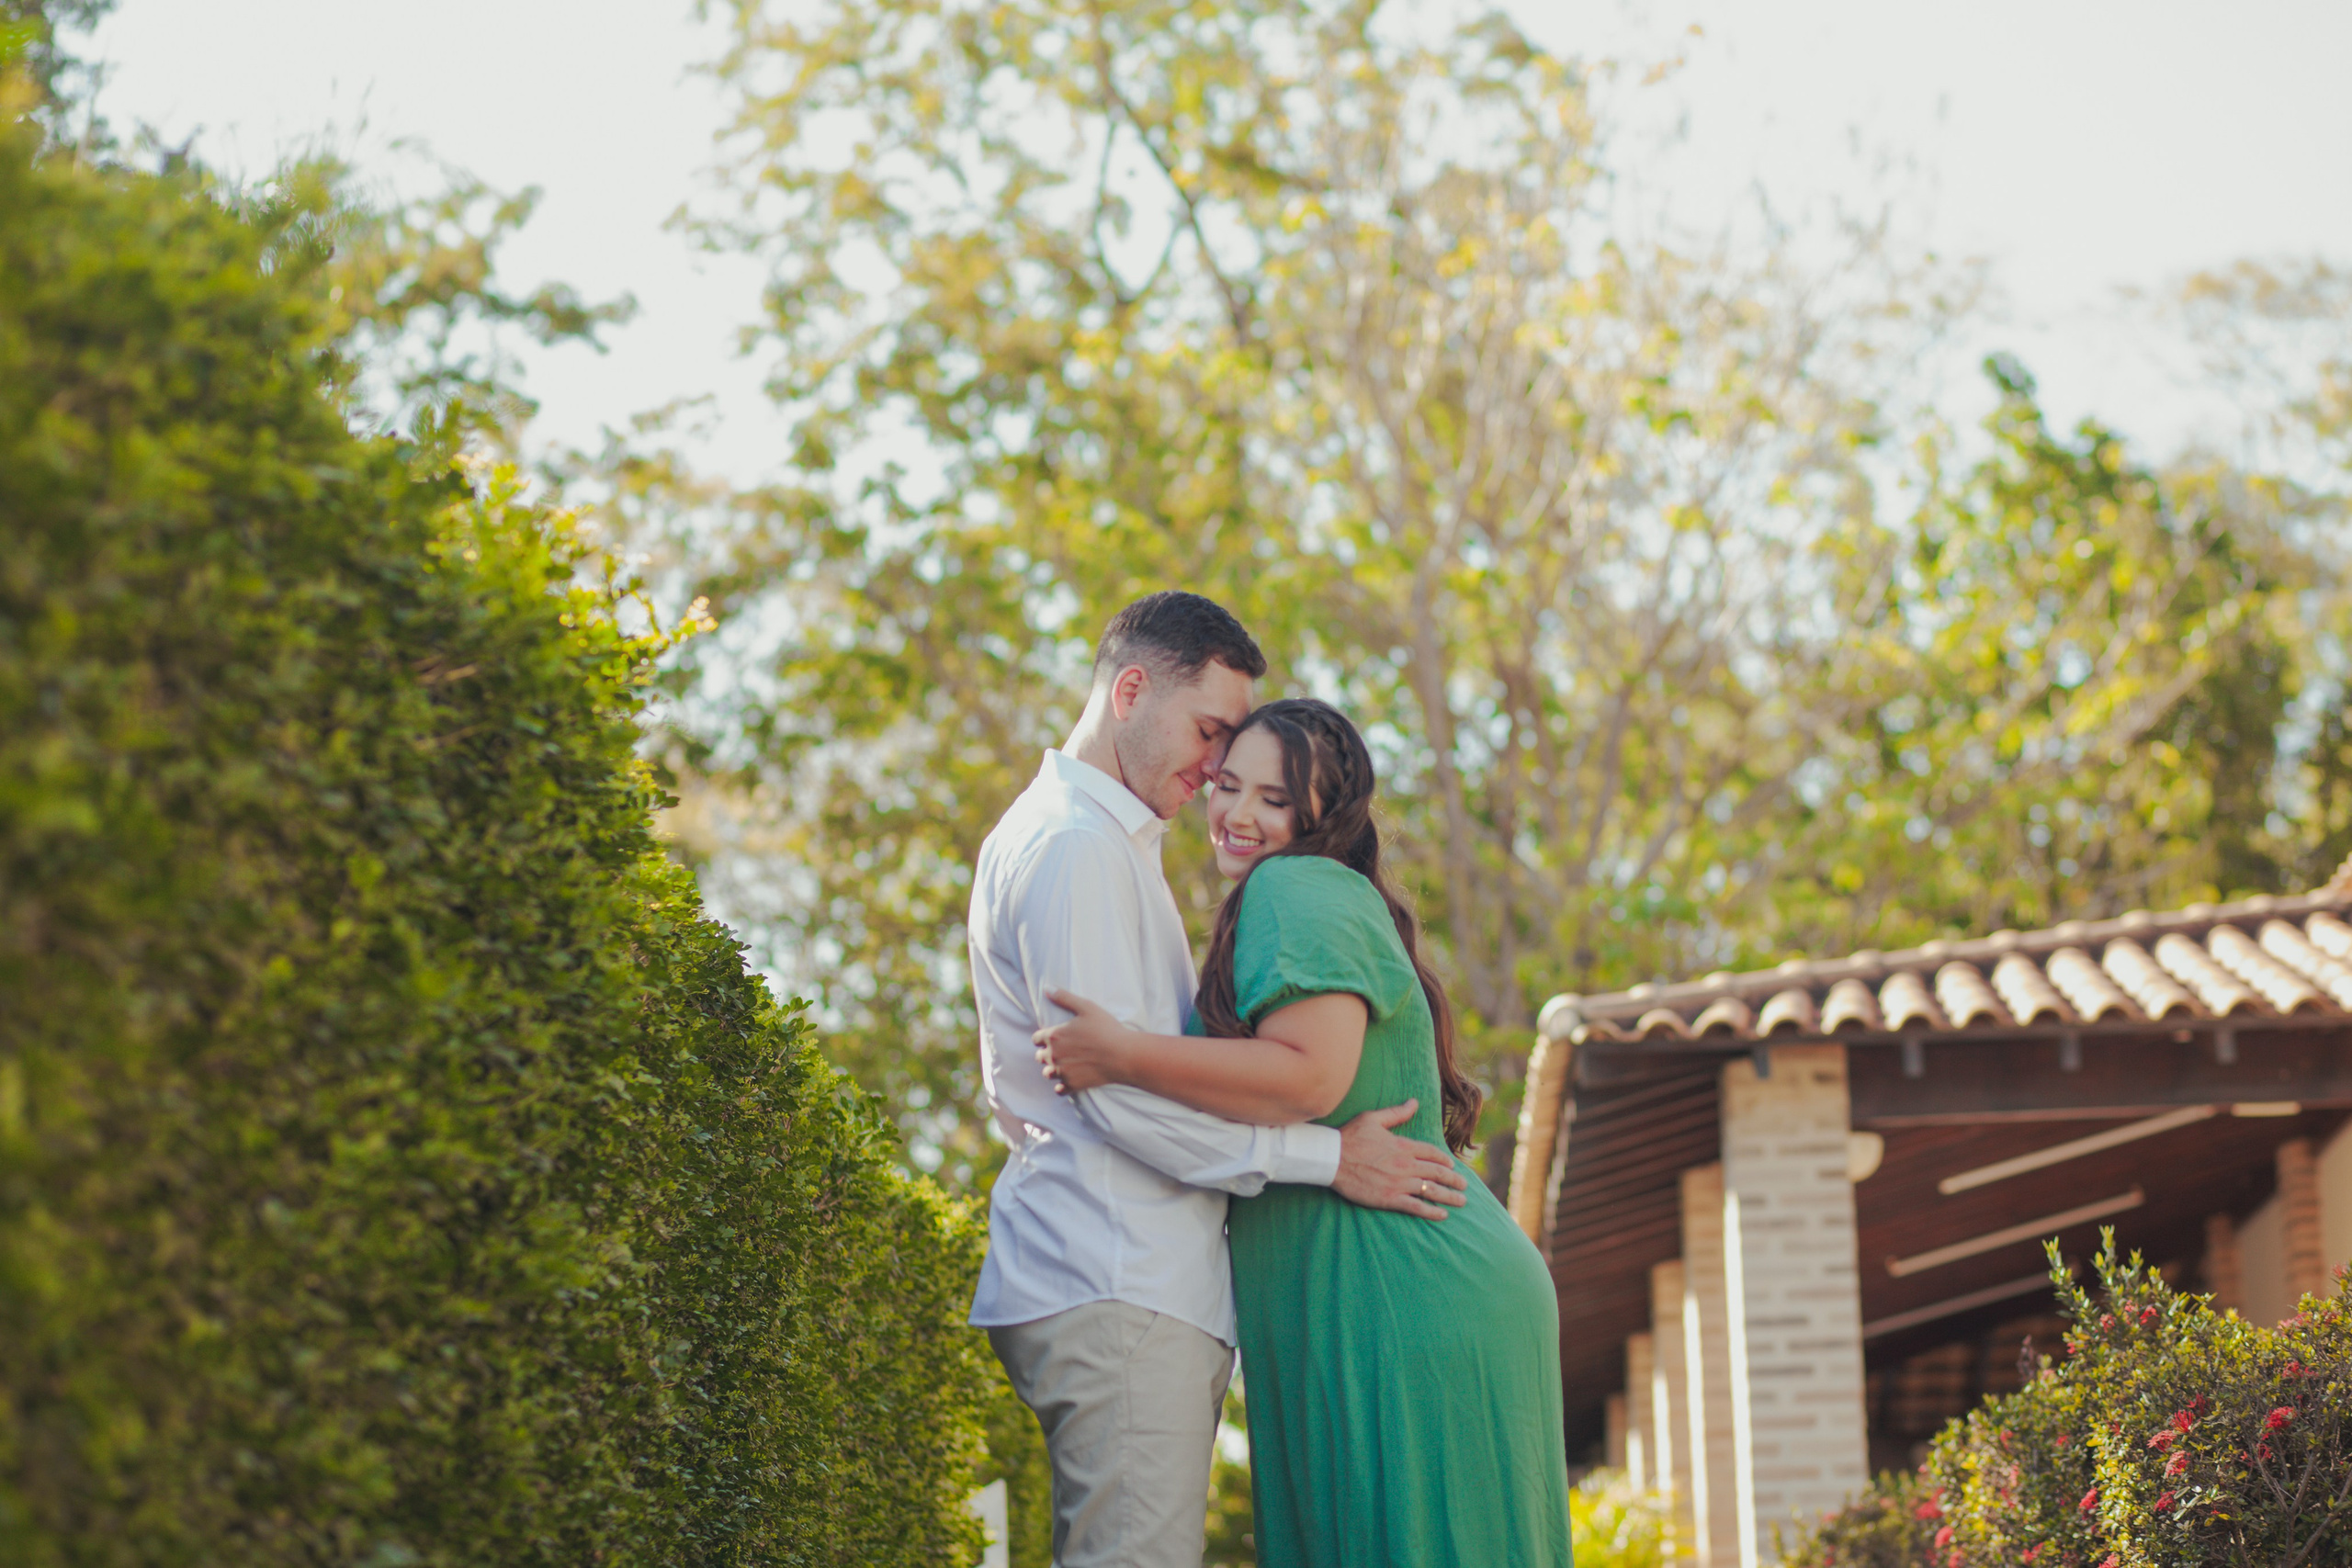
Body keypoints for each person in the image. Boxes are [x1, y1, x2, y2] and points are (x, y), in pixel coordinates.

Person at [967, 593, 1472, 1568]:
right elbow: (1118, 1101)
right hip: (1118, 1274)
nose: (1215, 771)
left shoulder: (1099, 845)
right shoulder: (1075, 848)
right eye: (1207, 733)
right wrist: (1328, 1161)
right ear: (1127, 692)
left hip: (1127, 1277)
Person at [1035, 697, 1573, 1568]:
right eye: (1229, 785)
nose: (1239, 815)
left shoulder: (1294, 888)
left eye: (1275, 800)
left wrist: (1123, 1055)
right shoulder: (1313, 894)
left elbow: (1308, 1076)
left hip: (1396, 1292)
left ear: (1327, 814)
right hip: (1392, 1284)